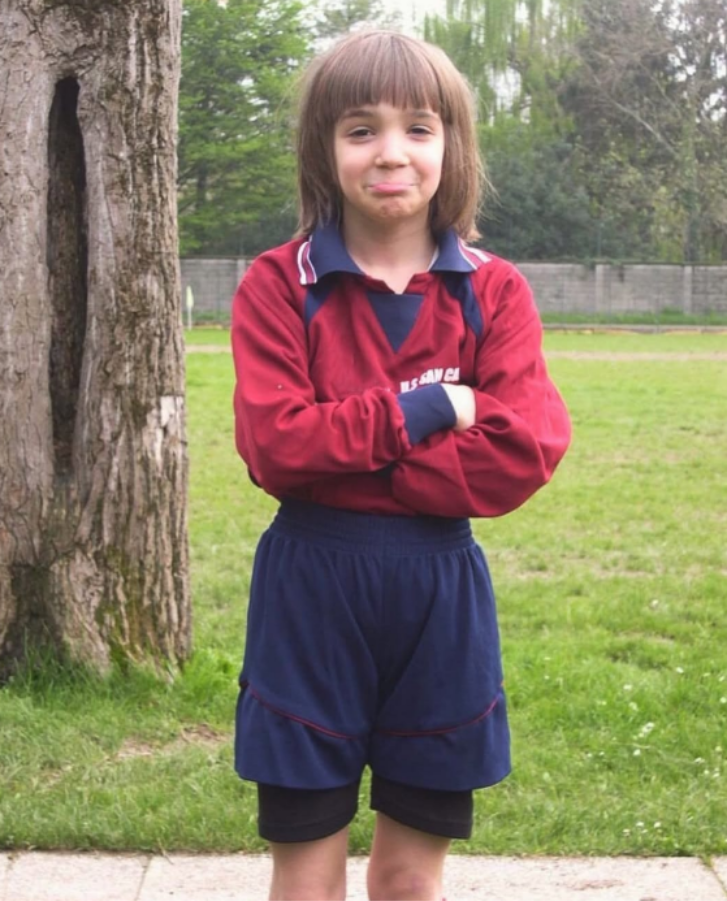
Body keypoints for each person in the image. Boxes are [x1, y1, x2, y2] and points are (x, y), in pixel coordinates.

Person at [231, 29, 571, 901]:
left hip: (439, 597)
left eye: (418, 128)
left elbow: (523, 451)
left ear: (450, 145)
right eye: (360, 129)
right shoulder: (278, 285)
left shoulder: (493, 291)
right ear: (323, 148)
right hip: (310, 593)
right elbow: (275, 447)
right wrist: (432, 407)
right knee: (306, 876)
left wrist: (356, 466)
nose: (391, 152)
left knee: (410, 879)